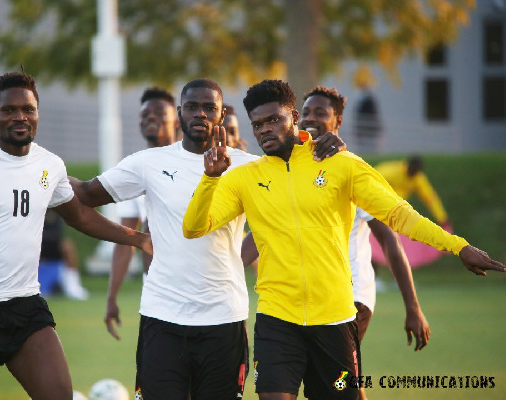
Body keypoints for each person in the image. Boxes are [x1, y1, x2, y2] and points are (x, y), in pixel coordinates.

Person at [182, 79, 505, 400]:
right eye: (258, 124)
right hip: (277, 320)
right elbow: (194, 227)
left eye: (273, 120)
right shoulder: (244, 178)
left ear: (294, 116)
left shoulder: (341, 164)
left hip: (335, 319)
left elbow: (400, 215)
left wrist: (458, 246)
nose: (265, 130)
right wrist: (210, 179)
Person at [70, 78, 347, 400]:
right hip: (163, 317)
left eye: (209, 108)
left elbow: (296, 184)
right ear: (179, 113)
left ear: (221, 114)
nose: (200, 113)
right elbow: (87, 194)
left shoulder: (249, 167)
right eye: (192, 107)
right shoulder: (149, 163)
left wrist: (334, 148)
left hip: (224, 317)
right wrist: (41, 168)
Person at [0, 71, 152, 400]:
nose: (20, 116)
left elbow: (79, 216)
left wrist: (136, 238)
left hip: (25, 306)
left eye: (28, 109)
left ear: (37, 114)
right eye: (9, 110)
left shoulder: (49, 165)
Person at [299, 86, 430, 400]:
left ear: (339, 121)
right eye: (305, 112)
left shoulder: (353, 172)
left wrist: (413, 307)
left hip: (351, 297)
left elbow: (389, 242)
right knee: (334, 383)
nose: (310, 118)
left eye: (320, 113)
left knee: (338, 382)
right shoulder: (296, 170)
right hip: (310, 297)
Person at [107, 87, 178, 340]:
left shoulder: (193, 161)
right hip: (156, 296)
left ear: (177, 120)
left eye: (159, 112)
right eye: (145, 114)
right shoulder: (135, 169)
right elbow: (126, 240)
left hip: (197, 289)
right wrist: (112, 296)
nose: (150, 117)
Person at [374, 156, 450, 227]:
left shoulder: (418, 178)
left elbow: (430, 198)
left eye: (416, 171)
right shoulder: (393, 172)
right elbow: (371, 181)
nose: (413, 172)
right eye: (413, 169)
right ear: (407, 165)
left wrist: (441, 218)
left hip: (394, 210)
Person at [38, 208, 88, 300]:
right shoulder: (36, 209)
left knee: (67, 246)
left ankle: (73, 286)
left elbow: (59, 233)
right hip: (39, 245)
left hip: (54, 246)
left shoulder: (57, 211)